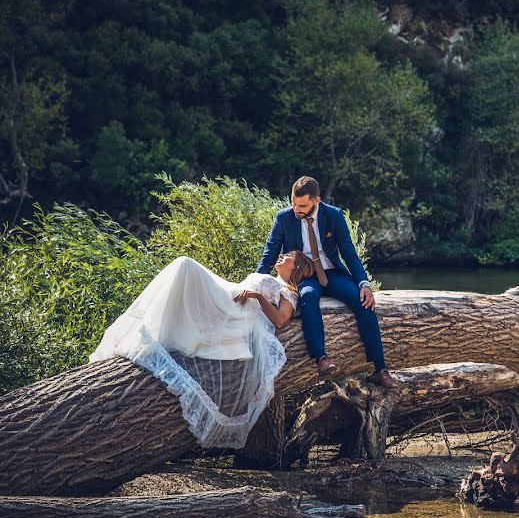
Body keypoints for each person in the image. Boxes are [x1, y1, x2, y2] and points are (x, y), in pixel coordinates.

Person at [89, 251, 314, 449]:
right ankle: (159, 331)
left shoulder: (289, 292)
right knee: (183, 267)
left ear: (295, 267)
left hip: (239, 313)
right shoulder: (270, 278)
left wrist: (256, 296)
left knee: (185, 265)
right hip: (231, 298)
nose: (281, 256)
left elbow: (281, 320)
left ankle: (163, 334)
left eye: (288, 257)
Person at [256, 176, 399, 389]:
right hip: (305, 276)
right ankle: (321, 359)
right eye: (294, 203)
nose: (297, 209)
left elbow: (349, 254)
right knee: (308, 296)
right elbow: (269, 255)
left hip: (332, 273)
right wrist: (256, 284)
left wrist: (364, 284)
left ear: (317, 200)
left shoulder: (334, 215)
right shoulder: (284, 218)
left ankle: (380, 369)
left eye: (302, 205)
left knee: (363, 303)